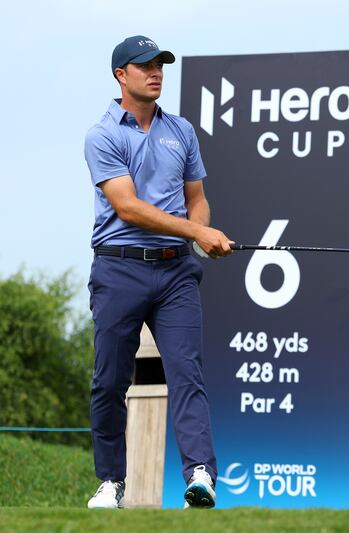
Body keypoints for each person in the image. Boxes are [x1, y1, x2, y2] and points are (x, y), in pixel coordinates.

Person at [83, 35, 232, 509]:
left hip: (174, 274)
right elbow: (127, 207)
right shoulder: (103, 134)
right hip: (118, 268)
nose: (156, 72)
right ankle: (112, 482)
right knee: (109, 382)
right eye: (144, 65)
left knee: (188, 374)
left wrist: (200, 235)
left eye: (160, 64)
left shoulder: (182, 131)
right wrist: (195, 230)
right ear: (120, 75)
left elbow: (197, 198)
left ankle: (201, 477)